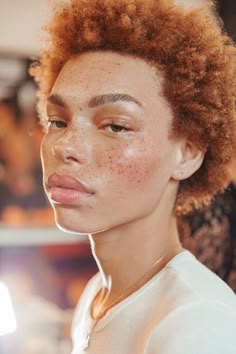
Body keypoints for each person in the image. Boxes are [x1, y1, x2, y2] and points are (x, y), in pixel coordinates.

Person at [31, 0, 236, 353]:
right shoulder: (98, 295)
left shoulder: (198, 323)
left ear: (187, 153)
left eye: (115, 125)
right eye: (58, 121)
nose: (66, 146)